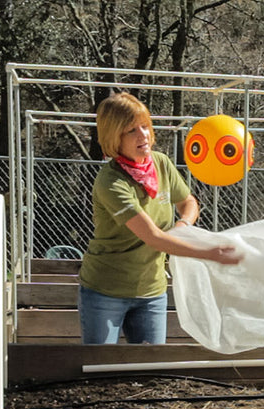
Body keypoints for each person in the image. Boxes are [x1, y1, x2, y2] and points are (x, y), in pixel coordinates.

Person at [78, 92, 242, 344]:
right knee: (100, 369)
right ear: (113, 138)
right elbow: (154, 238)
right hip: (105, 291)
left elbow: (188, 202)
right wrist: (210, 253)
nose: (143, 135)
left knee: (152, 373)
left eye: (145, 126)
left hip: (152, 292)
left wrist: (183, 224)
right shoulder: (111, 181)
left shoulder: (161, 163)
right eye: (131, 130)